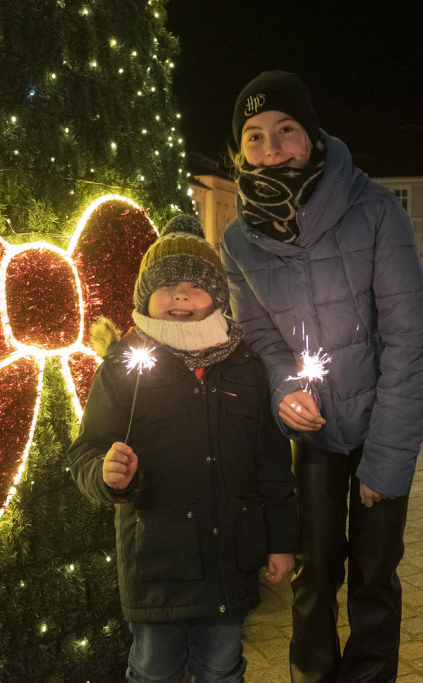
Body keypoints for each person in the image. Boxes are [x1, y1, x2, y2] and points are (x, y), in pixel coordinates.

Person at [220, 71, 423, 682]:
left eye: (286, 131)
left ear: (312, 137)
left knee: (373, 575)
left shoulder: (374, 209)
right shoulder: (238, 240)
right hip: (314, 435)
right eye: (255, 136)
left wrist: (386, 459)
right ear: (240, 151)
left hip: (381, 423)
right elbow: (262, 338)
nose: (271, 149)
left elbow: (411, 341)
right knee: (315, 574)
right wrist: (286, 389)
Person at [68, 216, 297, 683]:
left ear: (218, 294)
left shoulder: (245, 365)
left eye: (196, 284)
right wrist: (105, 473)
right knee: (155, 671)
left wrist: (282, 542)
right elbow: (86, 451)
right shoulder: (124, 368)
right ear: (144, 295)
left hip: (229, 564)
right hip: (157, 566)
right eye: (167, 284)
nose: (180, 295)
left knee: (221, 668)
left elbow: (271, 464)